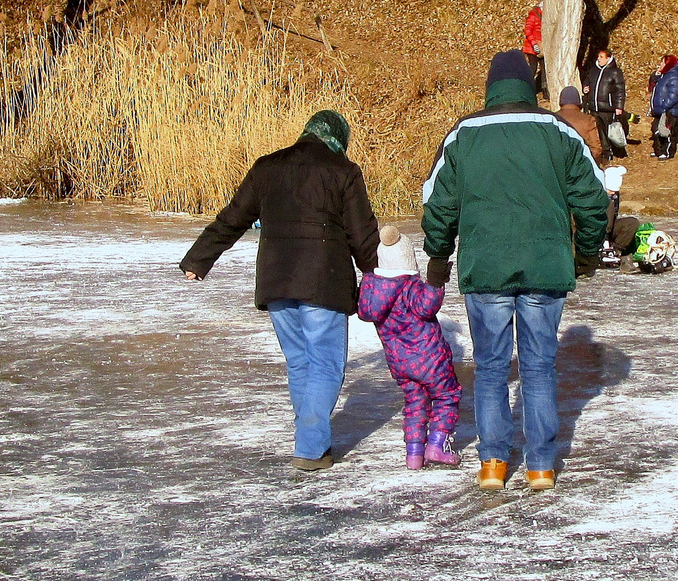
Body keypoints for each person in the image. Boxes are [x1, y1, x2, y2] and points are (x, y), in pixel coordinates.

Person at [421, 49, 608, 492]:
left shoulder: (464, 133)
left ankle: (492, 464)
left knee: (489, 367)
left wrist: (437, 255)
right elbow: (594, 195)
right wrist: (584, 254)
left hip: (486, 268)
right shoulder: (557, 129)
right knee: (540, 367)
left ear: (491, 87)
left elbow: (437, 201)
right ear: (530, 86)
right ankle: (541, 465)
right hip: (546, 266)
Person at [179, 109, 379, 469]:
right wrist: (375, 275)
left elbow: (233, 217)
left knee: (300, 361)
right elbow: (362, 234)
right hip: (324, 280)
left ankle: (310, 440)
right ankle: (311, 448)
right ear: (338, 139)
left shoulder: (267, 167)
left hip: (276, 280)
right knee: (325, 363)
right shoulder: (343, 171)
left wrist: (198, 259)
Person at [357, 226, 461, 470]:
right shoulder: (410, 287)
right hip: (430, 359)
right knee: (447, 396)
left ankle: (414, 455)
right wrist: (436, 281)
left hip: (400, 364)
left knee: (415, 402)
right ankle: (437, 445)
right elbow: (427, 306)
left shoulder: (373, 292)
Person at [582, 46, 627, 157]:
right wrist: (585, 87)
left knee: (610, 131)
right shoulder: (593, 71)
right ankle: (605, 151)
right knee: (598, 131)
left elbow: (620, 90)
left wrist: (619, 107)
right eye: (598, 57)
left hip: (608, 107)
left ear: (608, 58)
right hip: (594, 106)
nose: (599, 59)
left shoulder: (615, 72)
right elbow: (587, 81)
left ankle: (616, 150)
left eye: (601, 57)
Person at [556, 85, 607, 165]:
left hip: (558, 166)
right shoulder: (588, 120)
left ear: (560, 102)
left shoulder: (552, 119)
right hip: (580, 166)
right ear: (578, 102)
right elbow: (596, 149)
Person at [648, 54, 678, 159]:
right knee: (656, 130)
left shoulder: (674, 77)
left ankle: (667, 152)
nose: (660, 64)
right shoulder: (663, 76)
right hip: (659, 109)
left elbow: (675, 93)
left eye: (663, 62)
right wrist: (656, 75)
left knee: (666, 132)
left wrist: (665, 105)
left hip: (669, 110)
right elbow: (652, 87)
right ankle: (658, 151)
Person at [522, 2, 546, 97]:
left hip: (541, 47)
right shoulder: (533, 15)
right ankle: (526, 88)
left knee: (544, 69)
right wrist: (534, 44)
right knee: (533, 68)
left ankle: (545, 90)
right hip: (532, 47)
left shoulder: (544, 16)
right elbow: (528, 31)